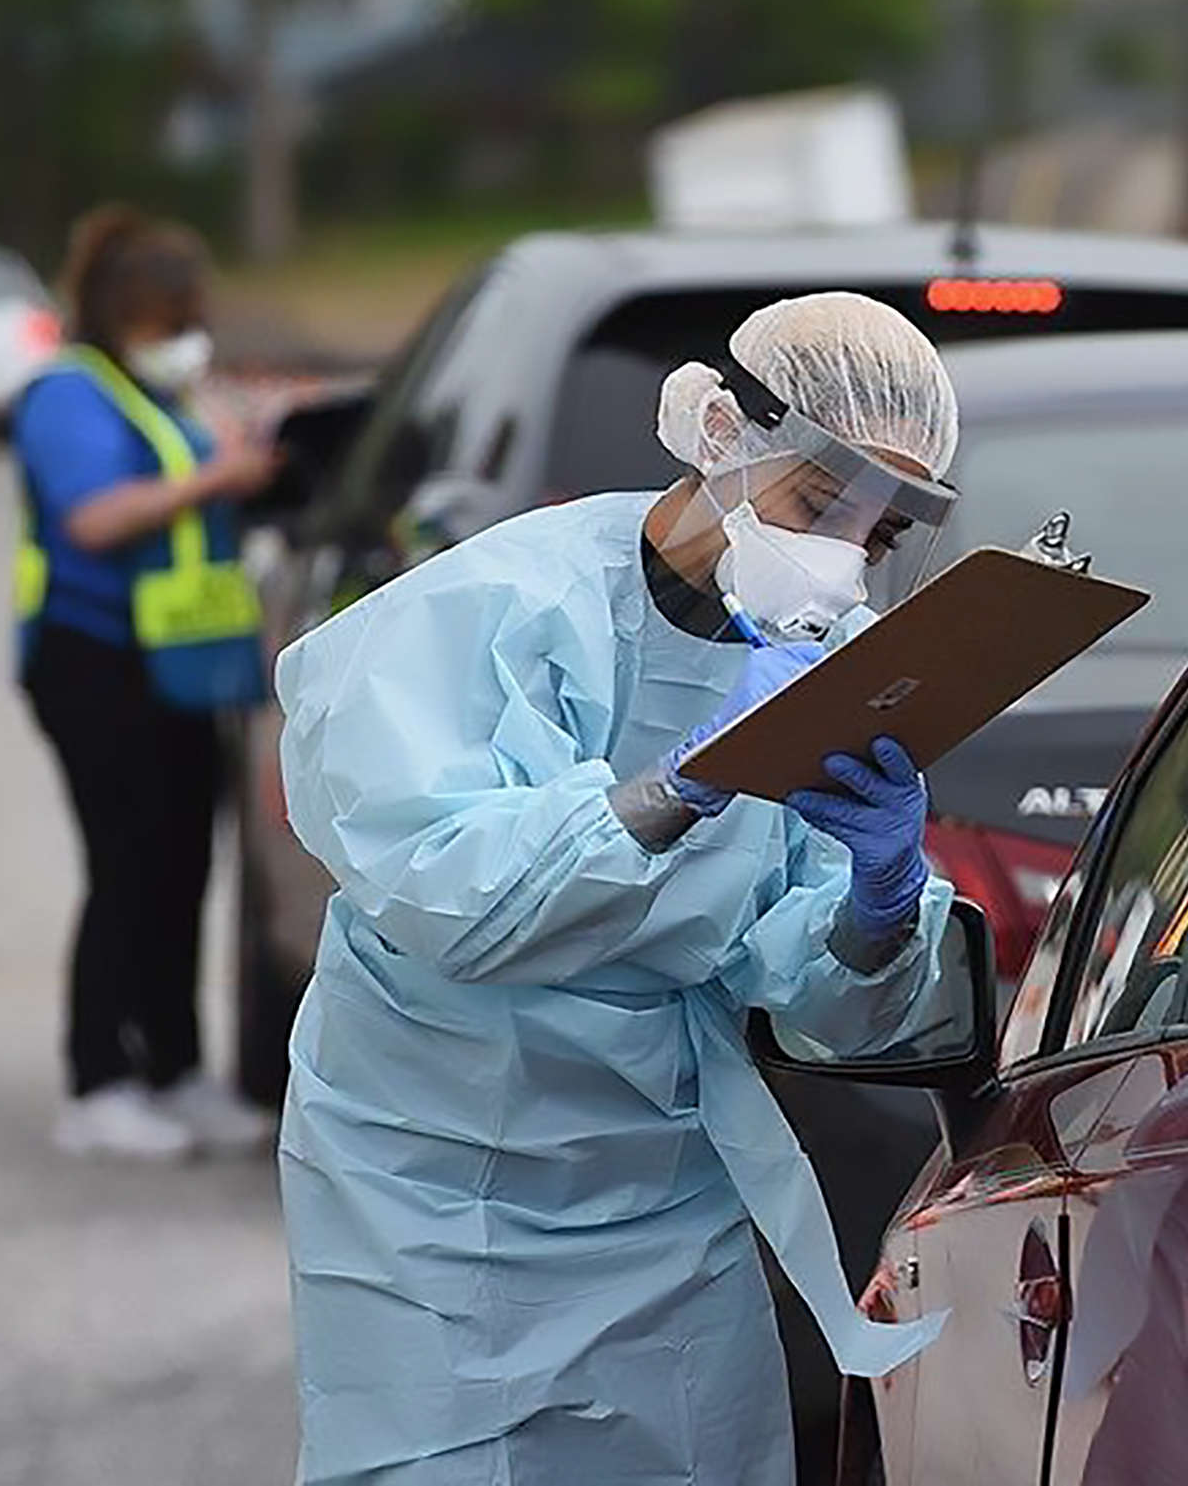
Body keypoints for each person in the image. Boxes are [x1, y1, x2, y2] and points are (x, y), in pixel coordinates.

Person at [277, 292, 963, 1485]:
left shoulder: (816, 672)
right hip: (425, 1182)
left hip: (657, 1190)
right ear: (717, 431)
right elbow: (455, 897)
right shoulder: (490, 606)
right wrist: (673, 789)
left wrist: (878, 899)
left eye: (882, 532)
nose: (845, 556)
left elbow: (808, 994)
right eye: (822, 503)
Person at [13, 205, 282, 1161]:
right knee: (126, 866)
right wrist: (220, 478)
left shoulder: (157, 394)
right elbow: (93, 518)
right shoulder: (68, 395)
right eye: (181, 315)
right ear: (142, 309)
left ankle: (174, 1068)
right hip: (93, 660)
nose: (191, 331)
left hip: (175, 664)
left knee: (181, 864)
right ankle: (98, 1083)